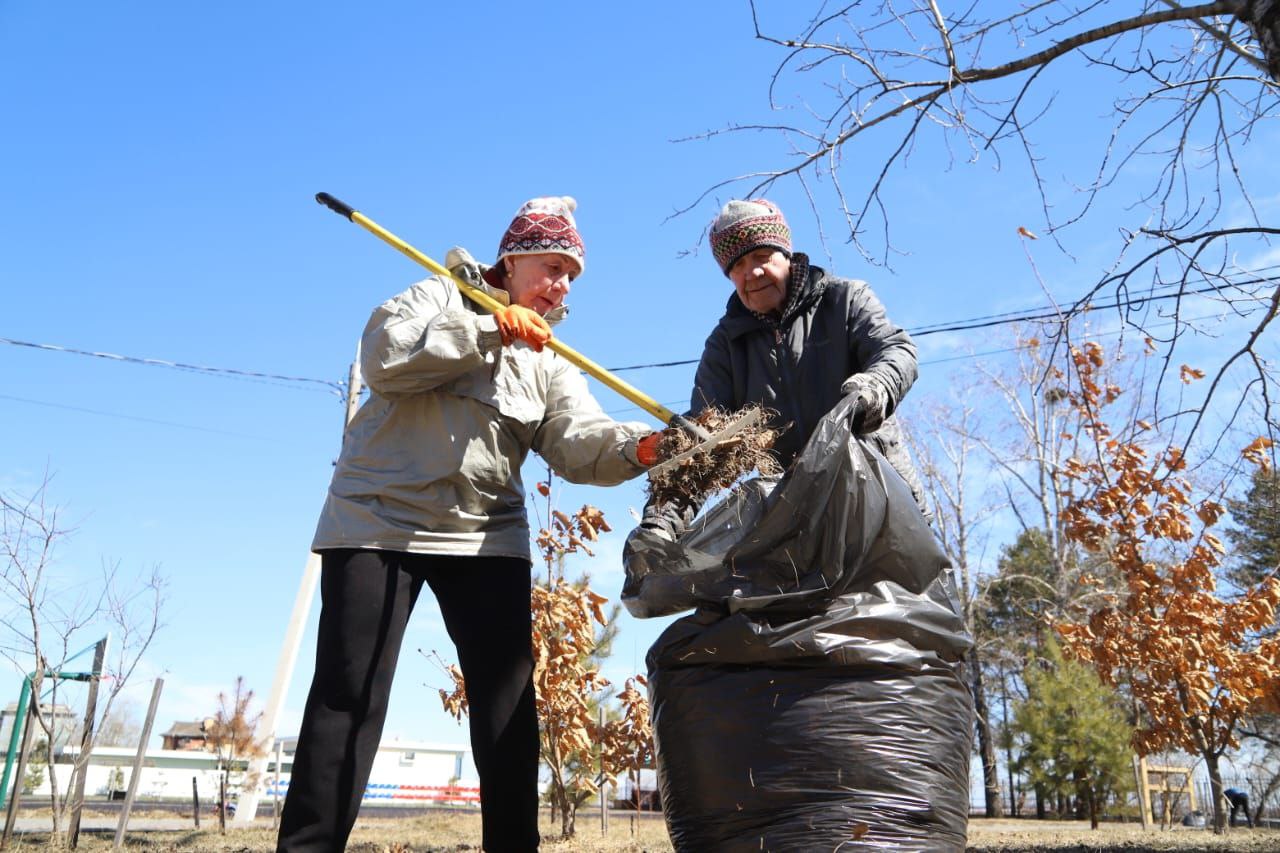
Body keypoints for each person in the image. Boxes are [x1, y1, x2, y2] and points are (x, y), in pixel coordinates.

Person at [277, 196, 661, 853]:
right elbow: (384, 358)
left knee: (509, 706)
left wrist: (641, 448)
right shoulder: (437, 294)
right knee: (350, 692)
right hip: (378, 520)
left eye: (572, 273)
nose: (562, 283)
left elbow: (577, 439)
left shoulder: (549, 356)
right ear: (510, 261)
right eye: (552, 265)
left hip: (486, 532)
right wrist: (491, 330)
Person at [647, 198, 926, 531]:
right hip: (799, 522)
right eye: (737, 266)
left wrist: (873, 389)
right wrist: (662, 518)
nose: (751, 272)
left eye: (761, 257)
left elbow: (896, 350)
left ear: (787, 255)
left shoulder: (845, 299)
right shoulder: (726, 345)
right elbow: (703, 440)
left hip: (882, 504)